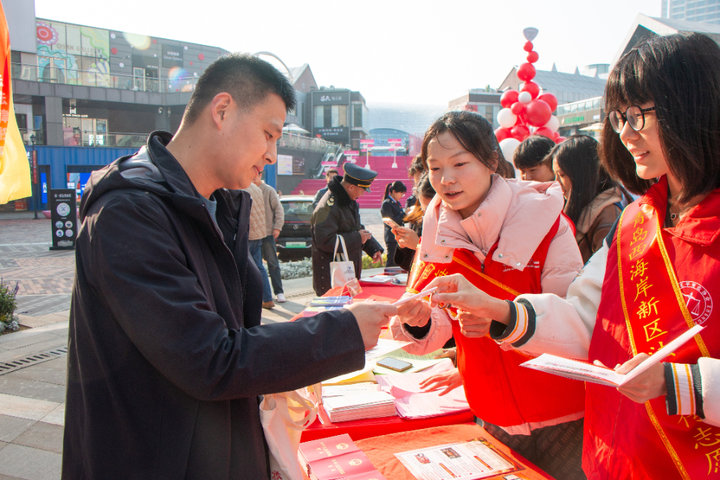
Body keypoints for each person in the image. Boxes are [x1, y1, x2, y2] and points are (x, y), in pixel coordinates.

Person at [62, 54, 397, 479]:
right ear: (221, 111)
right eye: (268, 134)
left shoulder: (219, 205)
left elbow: (236, 338)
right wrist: (343, 332)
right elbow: (210, 359)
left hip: (213, 447)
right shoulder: (129, 213)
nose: (272, 155)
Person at [423, 33, 720, 479]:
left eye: (638, 115)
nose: (624, 133)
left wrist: (680, 384)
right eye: (618, 118)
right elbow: (589, 325)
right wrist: (500, 310)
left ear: (696, 106)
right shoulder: (636, 222)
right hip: (624, 454)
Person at [390, 110, 586, 479]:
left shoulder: (546, 221)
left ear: (492, 160)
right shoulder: (435, 235)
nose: (445, 180)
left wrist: (501, 316)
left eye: (459, 163)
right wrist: (417, 322)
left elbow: (572, 322)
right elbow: (433, 327)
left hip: (565, 412)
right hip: (491, 413)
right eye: (434, 168)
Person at [549, 135, 631, 263]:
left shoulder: (607, 216)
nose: (557, 183)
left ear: (582, 174)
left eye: (562, 175)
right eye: (555, 175)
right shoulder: (590, 207)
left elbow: (605, 271)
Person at [311, 162, 384, 296]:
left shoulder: (348, 200)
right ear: (351, 187)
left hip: (346, 276)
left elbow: (356, 228)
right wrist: (358, 238)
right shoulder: (328, 206)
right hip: (331, 280)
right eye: (363, 190)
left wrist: (373, 247)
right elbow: (324, 241)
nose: (363, 194)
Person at [392, 173, 435, 271]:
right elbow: (408, 266)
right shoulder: (420, 221)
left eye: (432, 210)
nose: (428, 216)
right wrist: (405, 245)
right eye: (424, 211)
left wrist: (419, 246)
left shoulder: (457, 230)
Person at [245, 178, 275, 309]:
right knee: (259, 267)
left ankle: (249, 303)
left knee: (243, 269)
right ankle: (267, 298)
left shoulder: (241, 188)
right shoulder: (257, 190)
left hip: (246, 234)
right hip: (258, 233)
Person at [257, 176, 287, 303]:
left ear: (260, 175)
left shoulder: (268, 190)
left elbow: (279, 210)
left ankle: (279, 292)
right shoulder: (246, 188)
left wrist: (277, 227)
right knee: (257, 266)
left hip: (267, 233)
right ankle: (261, 296)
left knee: (273, 263)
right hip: (253, 235)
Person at [380, 180, 407, 267]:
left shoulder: (397, 203)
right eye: (401, 193)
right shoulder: (387, 203)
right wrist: (404, 215)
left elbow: (401, 218)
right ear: (394, 192)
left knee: (398, 260)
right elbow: (390, 221)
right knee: (392, 259)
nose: (401, 196)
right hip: (391, 236)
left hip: (399, 235)